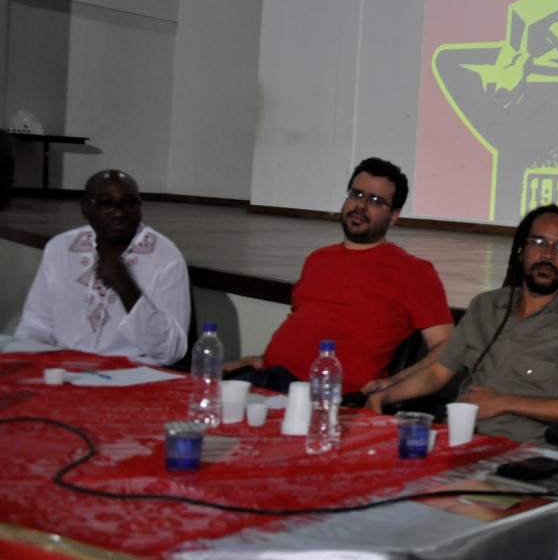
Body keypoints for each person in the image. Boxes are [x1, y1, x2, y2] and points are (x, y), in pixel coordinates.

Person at [366, 204, 558, 446]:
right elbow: (438, 373)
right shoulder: (485, 306)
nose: (548, 254)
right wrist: (385, 396)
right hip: (457, 440)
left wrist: (503, 403)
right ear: (521, 252)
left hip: (523, 454)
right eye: (538, 242)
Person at [225, 157, 454, 395]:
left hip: (331, 396)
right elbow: (310, 328)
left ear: (394, 216)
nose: (361, 205)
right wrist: (262, 359)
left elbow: (447, 345)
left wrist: (397, 382)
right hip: (268, 377)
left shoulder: (414, 272)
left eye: (375, 200)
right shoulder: (318, 259)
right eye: (356, 194)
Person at [14, 169, 190, 366]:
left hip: (130, 373)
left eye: (129, 204)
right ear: (85, 209)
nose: (120, 213)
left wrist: (125, 287)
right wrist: (23, 363)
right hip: (62, 368)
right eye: (107, 205)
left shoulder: (165, 257)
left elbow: (171, 349)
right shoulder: (61, 248)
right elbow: (36, 325)